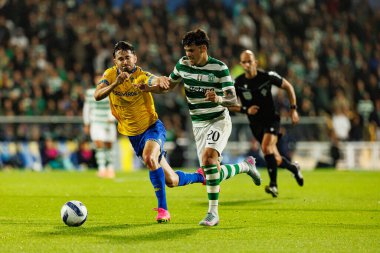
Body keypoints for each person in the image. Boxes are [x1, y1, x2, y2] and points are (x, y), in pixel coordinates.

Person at [138, 29, 262, 227]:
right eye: (186, 50)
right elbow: (170, 85)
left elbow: (232, 99)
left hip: (218, 120)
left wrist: (218, 98)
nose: (188, 55)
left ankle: (213, 213)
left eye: (191, 50)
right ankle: (246, 166)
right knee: (212, 171)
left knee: (208, 159)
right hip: (198, 125)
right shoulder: (183, 64)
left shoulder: (219, 68)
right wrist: (149, 89)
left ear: (203, 48)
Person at [94, 41, 208, 223]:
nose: (124, 62)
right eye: (120, 59)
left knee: (149, 158)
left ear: (135, 58)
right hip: (133, 136)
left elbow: (151, 79)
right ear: (115, 62)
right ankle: (200, 176)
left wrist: (160, 80)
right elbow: (97, 95)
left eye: (128, 57)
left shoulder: (140, 75)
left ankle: (163, 210)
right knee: (171, 180)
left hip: (152, 128)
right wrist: (116, 83)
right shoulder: (109, 75)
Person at [229, 50, 304, 198]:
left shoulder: (268, 77)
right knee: (274, 158)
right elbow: (230, 104)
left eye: (249, 61)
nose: (247, 64)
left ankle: (273, 185)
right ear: (241, 64)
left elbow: (288, 87)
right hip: (255, 125)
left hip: (272, 120)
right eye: (244, 62)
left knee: (265, 147)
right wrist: (246, 109)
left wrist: (293, 110)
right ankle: (294, 169)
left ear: (256, 62)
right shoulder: (238, 82)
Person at [83, 82, 117, 178]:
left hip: (108, 122)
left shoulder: (112, 91)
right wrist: (86, 123)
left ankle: (110, 168)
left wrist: (112, 117)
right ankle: (102, 169)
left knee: (109, 145)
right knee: (98, 145)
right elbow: (87, 108)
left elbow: (116, 105)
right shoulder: (90, 92)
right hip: (96, 122)